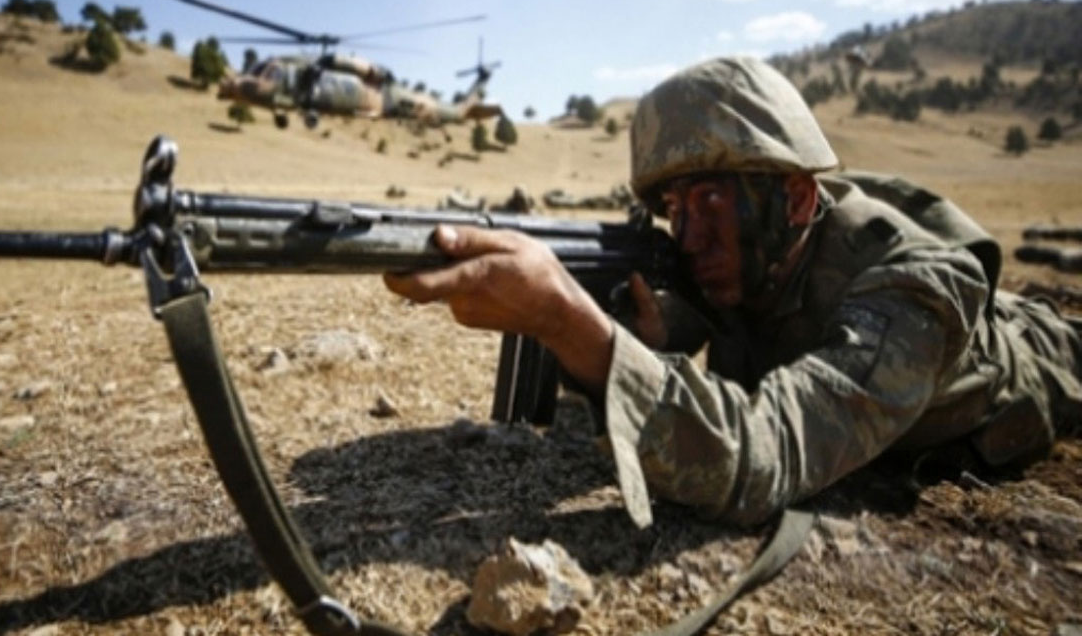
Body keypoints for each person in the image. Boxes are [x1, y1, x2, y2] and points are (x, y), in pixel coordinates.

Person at [384, 55, 1082, 526]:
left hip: (1047, 355)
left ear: (799, 200)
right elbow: (705, 314)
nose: (688, 237)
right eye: (674, 209)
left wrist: (573, 327)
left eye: (712, 201)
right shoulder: (752, 257)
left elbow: (765, 454)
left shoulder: (916, 293)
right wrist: (648, 336)